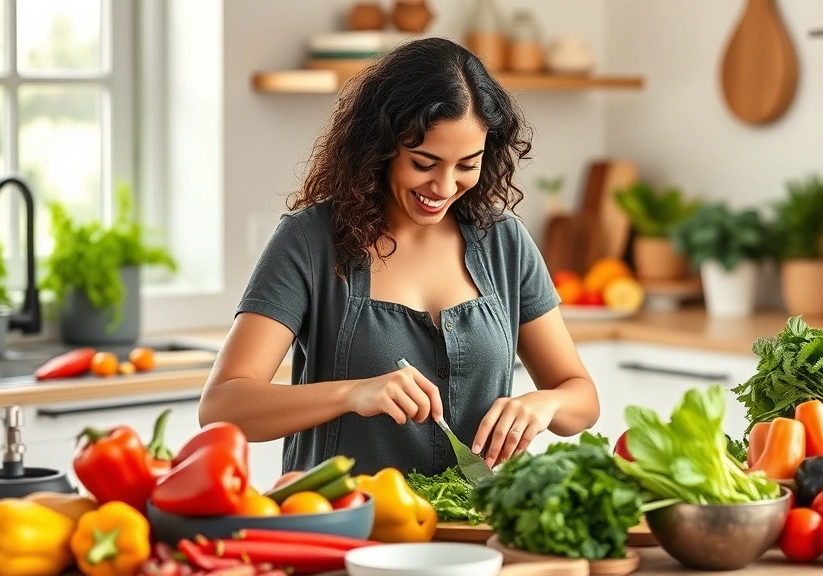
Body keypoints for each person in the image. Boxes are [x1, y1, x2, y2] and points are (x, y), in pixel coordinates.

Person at [199, 37, 600, 477]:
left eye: (467, 165)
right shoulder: (310, 240)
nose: (444, 187)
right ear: (381, 147)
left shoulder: (504, 242)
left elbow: (581, 396)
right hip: (346, 528)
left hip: (473, 532)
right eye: (424, 163)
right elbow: (223, 405)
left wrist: (544, 404)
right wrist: (353, 394)